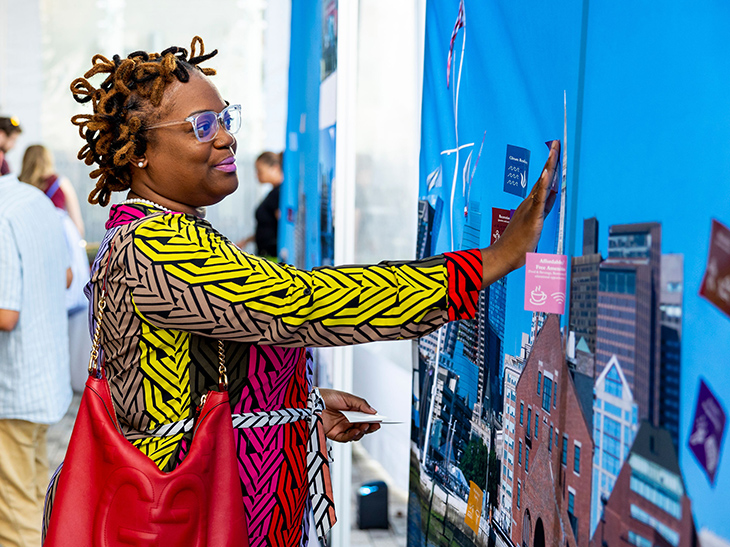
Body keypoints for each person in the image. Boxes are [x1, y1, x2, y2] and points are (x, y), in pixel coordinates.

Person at [63, 38, 558, 546]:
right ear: (141, 152)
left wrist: (293, 411)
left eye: (226, 118)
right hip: (187, 521)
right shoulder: (153, 246)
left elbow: (194, 383)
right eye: (203, 126)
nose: (227, 138)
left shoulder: (174, 232)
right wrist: (488, 262)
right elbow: (304, 305)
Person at [0, 171, 72, 547]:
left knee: (13, 516)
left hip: (12, 390)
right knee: (32, 497)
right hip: (44, 379)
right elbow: (67, 275)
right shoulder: (35, 200)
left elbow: (5, 314)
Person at [19, 144, 91, 393]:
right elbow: (77, 224)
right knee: (70, 315)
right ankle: (68, 376)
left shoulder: (21, 186)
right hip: (64, 246)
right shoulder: (58, 183)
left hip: (34, 246)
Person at [18, 144, 86, 238]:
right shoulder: (60, 183)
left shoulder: (18, 185)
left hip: (26, 239)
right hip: (55, 240)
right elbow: (77, 226)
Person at [237, 150, 283, 259]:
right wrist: (247, 240)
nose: (257, 175)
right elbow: (268, 226)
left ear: (275, 168)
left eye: (259, 171)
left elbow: (282, 225)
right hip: (266, 254)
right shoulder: (273, 194)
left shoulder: (279, 194)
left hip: (273, 257)